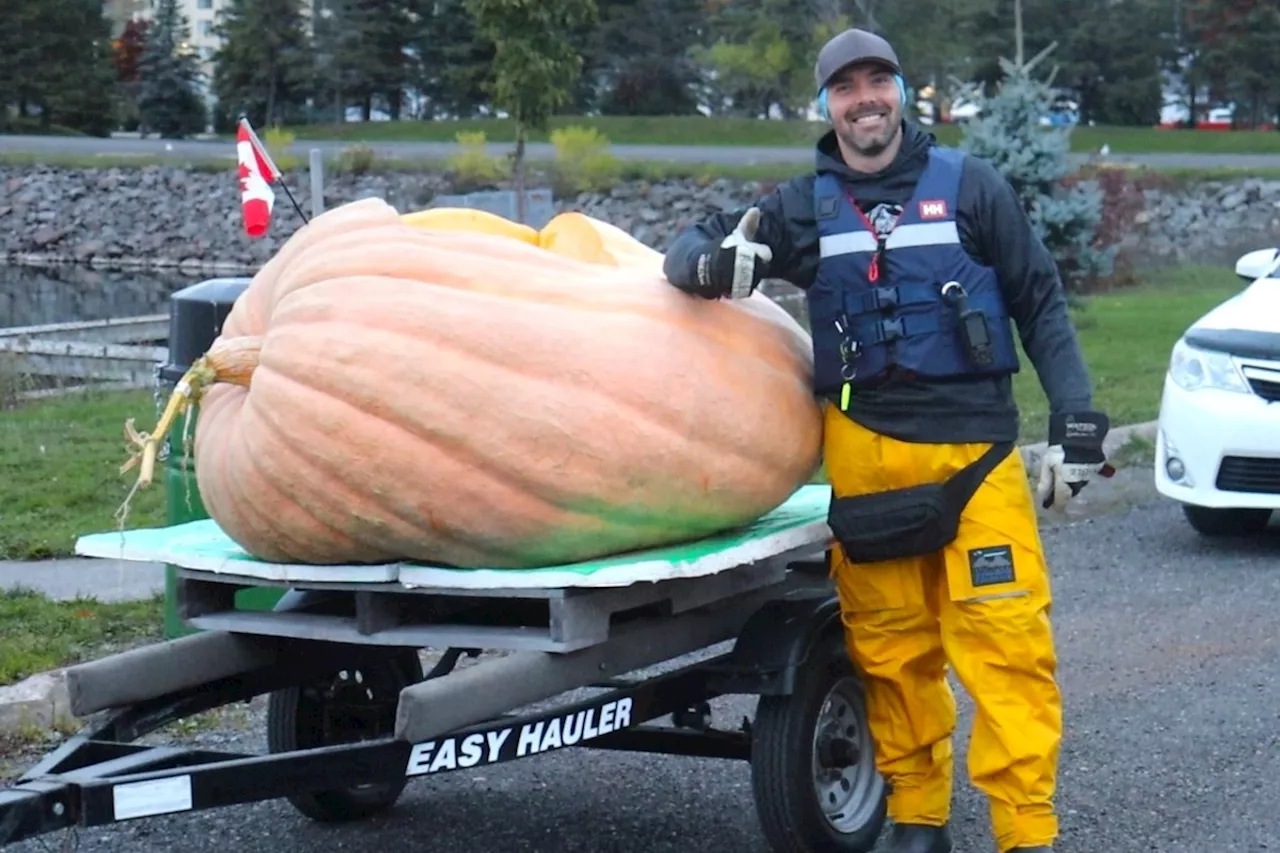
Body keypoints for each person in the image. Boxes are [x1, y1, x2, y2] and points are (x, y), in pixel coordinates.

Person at [661, 27, 1113, 853]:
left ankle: (1026, 831)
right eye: (846, 87)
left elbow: (1041, 302)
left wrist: (1077, 430)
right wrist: (707, 264)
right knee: (890, 651)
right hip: (867, 464)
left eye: (879, 81)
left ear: (902, 91)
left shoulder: (973, 188)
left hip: (975, 462)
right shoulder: (799, 208)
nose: (864, 99)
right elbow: (691, 244)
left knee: (1007, 648)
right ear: (828, 105)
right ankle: (917, 814)